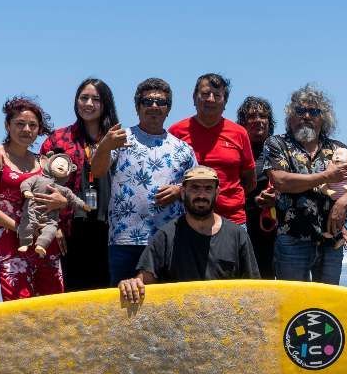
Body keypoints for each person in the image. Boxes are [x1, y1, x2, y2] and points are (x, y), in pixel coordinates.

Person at [261, 85, 347, 284]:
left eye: (313, 111)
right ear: (290, 116)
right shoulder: (277, 143)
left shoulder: (338, 148)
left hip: (331, 242)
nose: (306, 116)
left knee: (327, 306)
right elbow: (281, 181)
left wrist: (343, 203)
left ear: (323, 118)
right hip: (292, 240)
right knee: (292, 303)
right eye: (300, 111)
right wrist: (326, 176)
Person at [91, 78, 196, 285]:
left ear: (168, 109)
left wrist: (179, 190)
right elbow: (97, 170)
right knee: (123, 305)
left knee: (165, 307)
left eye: (161, 102)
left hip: (169, 240)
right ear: (137, 107)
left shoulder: (183, 149)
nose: (154, 107)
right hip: (124, 239)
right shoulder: (120, 139)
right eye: (147, 102)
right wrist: (104, 146)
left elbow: (197, 189)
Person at [0, 96, 70, 300]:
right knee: (18, 303)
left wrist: (57, 222)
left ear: (39, 129)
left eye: (33, 125)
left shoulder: (42, 161)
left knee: (52, 301)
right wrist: (20, 228)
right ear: (7, 125)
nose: (26, 129)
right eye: (20, 123)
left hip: (44, 241)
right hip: (11, 239)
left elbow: (48, 200)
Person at [117, 166, 260, 304]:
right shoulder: (165, 236)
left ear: (217, 193)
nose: (201, 195)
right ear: (183, 192)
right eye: (195, 187)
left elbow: (254, 289)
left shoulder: (237, 235)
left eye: (208, 188)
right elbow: (143, 282)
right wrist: (131, 284)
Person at [40, 77, 119, 290]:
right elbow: (42, 184)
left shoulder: (117, 138)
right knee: (72, 295)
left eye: (96, 99)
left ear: (106, 104)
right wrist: (52, 226)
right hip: (69, 228)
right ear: (76, 102)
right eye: (84, 98)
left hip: (111, 229)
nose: (89, 104)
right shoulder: (59, 139)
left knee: (106, 296)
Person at [169, 73, 256, 226]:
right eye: (205, 94)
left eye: (217, 95)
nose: (210, 99)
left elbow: (250, 180)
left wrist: (226, 199)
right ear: (194, 98)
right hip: (189, 220)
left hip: (232, 220)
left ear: (225, 102)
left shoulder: (239, 133)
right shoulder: (176, 132)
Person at [237, 96, 277, 278]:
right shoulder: (236, 150)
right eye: (252, 117)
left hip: (275, 230)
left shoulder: (279, 150)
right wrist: (253, 201)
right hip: (244, 225)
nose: (258, 120)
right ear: (243, 123)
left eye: (263, 116)